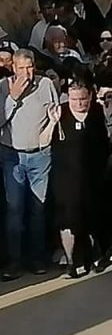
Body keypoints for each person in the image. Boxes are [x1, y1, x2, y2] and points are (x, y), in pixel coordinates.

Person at [0, 49, 59, 280]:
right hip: (12, 156)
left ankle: (37, 258)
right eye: (21, 68)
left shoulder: (45, 85)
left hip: (40, 155)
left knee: (38, 208)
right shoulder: (3, 86)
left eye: (30, 67)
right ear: (13, 68)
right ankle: (14, 261)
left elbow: (54, 115)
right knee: (14, 209)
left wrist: (48, 133)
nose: (26, 72)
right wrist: (12, 98)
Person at [50, 74, 111, 278]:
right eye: (74, 99)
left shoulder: (97, 112)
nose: (79, 103)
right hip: (66, 177)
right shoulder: (61, 112)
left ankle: (93, 256)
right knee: (67, 220)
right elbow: (44, 142)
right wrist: (52, 123)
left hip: (92, 176)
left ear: (90, 96)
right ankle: (71, 261)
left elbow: (105, 142)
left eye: (83, 99)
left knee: (92, 216)